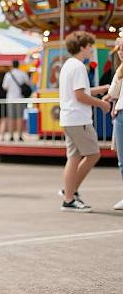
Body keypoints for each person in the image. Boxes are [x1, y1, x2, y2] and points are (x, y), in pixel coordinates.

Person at [58, 31, 110, 213]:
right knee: (93, 154)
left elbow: (80, 91)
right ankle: (69, 194)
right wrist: (101, 103)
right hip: (79, 118)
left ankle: (69, 193)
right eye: (90, 46)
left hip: (69, 117)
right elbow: (80, 95)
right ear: (83, 47)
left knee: (73, 157)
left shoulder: (68, 65)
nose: (91, 49)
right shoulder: (79, 67)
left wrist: (101, 89)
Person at [103, 38, 123, 210]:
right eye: (119, 49)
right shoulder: (119, 70)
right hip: (120, 114)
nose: (120, 52)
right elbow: (113, 92)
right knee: (122, 159)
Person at [2, 59, 30, 141]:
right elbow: (28, 83)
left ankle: (11, 135)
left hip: (10, 99)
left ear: (12, 65)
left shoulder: (8, 75)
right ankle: (20, 135)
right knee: (20, 117)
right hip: (20, 98)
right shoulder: (23, 73)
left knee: (11, 118)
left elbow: (4, 87)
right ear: (18, 65)